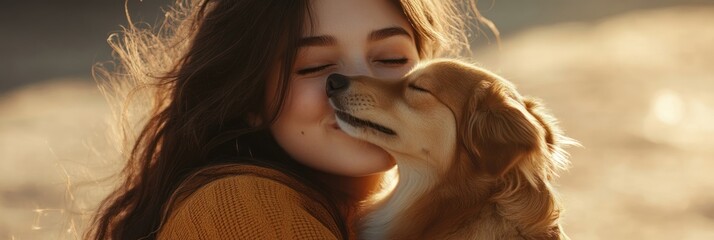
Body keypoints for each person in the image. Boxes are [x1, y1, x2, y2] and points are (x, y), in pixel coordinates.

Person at [86, 0, 493, 239]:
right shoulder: (245, 211)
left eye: (392, 59)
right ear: (250, 99)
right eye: (316, 67)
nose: (357, 85)